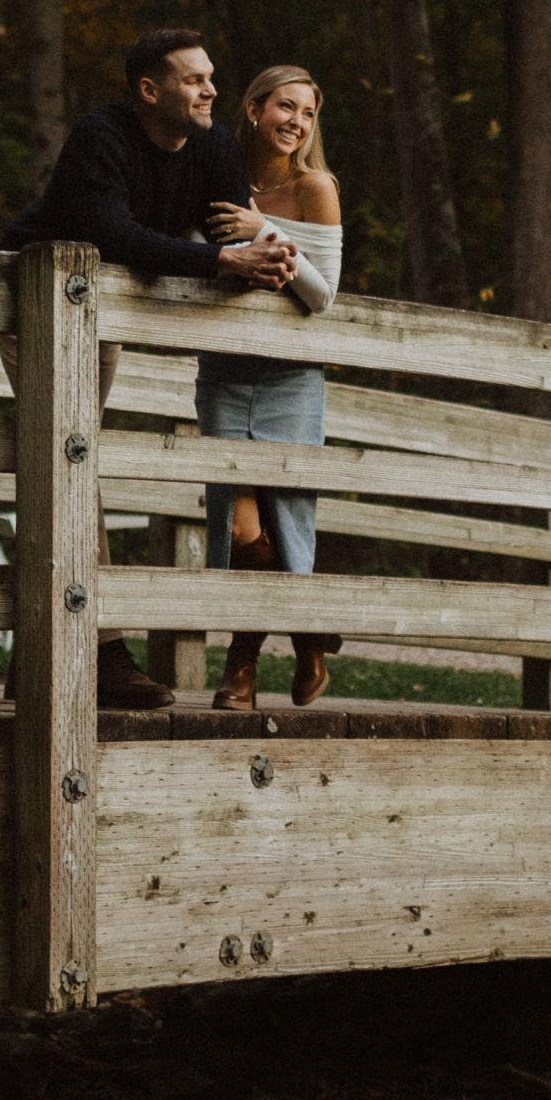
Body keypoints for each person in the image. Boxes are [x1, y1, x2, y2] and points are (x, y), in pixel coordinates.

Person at [1, 29, 298, 709]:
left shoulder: (214, 144)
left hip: (102, 313)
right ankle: (101, 651)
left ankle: (40, 657)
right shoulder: (100, 137)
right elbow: (114, 236)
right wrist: (224, 263)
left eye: (212, 78)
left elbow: (231, 228)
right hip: (40, 309)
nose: (211, 90)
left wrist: (268, 255)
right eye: (195, 80)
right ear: (149, 91)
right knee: (71, 461)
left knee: (68, 464)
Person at [199, 65, 343, 712]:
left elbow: (321, 295)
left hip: (291, 375)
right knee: (237, 523)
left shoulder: (316, 188)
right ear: (254, 108)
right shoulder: (219, 178)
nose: (296, 122)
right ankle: (309, 630)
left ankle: (242, 668)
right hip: (226, 369)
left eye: (307, 113)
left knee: (287, 523)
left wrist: (260, 228)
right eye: (286, 107)